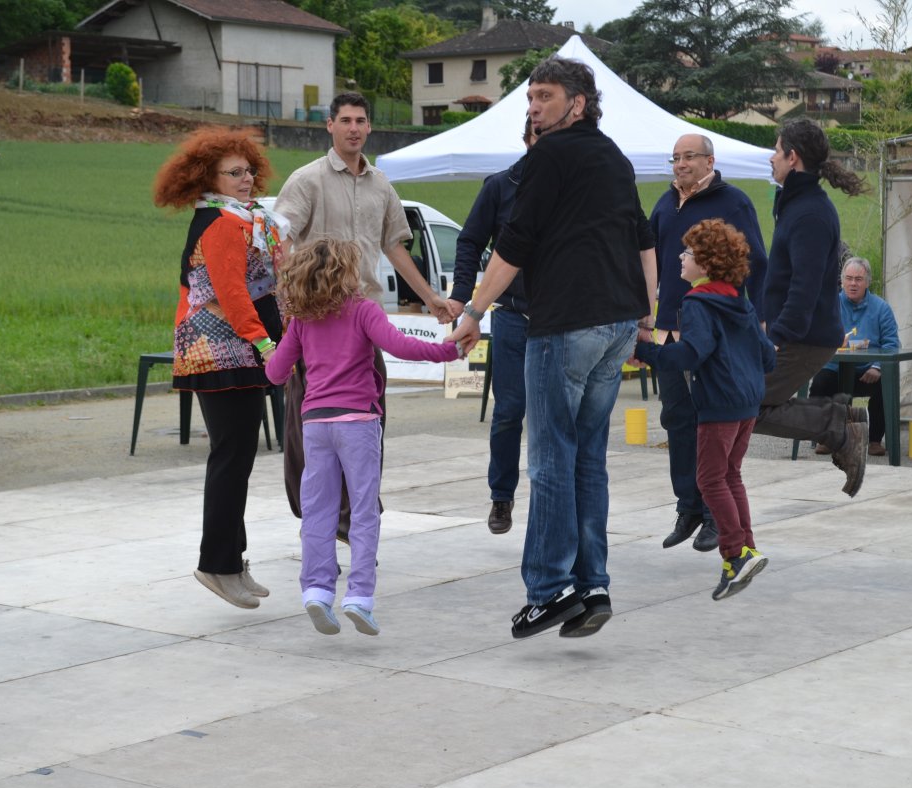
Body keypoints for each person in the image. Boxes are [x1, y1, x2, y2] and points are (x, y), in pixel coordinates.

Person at [449, 56, 657, 640]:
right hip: (615, 324)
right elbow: (644, 239)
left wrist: (473, 312)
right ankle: (593, 585)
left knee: (549, 459)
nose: (533, 106)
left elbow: (513, 247)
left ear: (578, 103)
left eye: (544, 96)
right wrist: (646, 316)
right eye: (530, 98)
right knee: (588, 457)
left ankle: (548, 589)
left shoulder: (547, 157)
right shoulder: (613, 157)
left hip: (564, 325)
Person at [273, 91, 454, 540]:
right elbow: (280, 241)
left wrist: (431, 297)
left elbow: (394, 246)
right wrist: (294, 300)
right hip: (316, 323)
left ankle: (357, 509)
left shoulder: (382, 185)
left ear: (369, 127)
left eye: (361, 120)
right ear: (329, 126)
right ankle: (320, 514)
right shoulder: (306, 180)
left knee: (370, 418)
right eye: (345, 120)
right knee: (307, 425)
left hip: (363, 319)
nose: (354, 128)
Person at [265, 238, 462, 636]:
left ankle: (317, 592)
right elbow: (400, 347)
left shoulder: (303, 321)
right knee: (362, 510)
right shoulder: (363, 311)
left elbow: (274, 374)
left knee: (317, 511)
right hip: (358, 423)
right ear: (347, 273)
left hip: (315, 425)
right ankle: (359, 596)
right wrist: (449, 352)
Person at [153, 127, 289, 610]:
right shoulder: (221, 223)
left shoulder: (245, 219)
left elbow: (265, 286)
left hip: (237, 348)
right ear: (207, 178)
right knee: (232, 458)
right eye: (234, 172)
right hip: (219, 349)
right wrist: (268, 345)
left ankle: (233, 559)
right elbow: (232, 293)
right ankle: (217, 564)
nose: (247, 178)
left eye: (249, 170)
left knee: (239, 457)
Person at [633, 220, 775, 600]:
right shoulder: (738, 300)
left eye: (689, 253)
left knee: (710, 479)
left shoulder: (696, 303)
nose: (681, 257)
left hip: (718, 404)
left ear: (707, 263)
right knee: (730, 475)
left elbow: (692, 353)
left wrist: (645, 351)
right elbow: (767, 356)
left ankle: (737, 552)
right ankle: (743, 551)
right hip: (747, 402)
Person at [650, 132, 768, 553]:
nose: (680, 164)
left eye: (688, 157)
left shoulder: (732, 202)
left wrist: (759, 320)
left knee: (712, 423)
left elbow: (757, 263)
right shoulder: (665, 204)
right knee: (676, 419)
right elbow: (646, 260)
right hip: (669, 326)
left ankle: (718, 518)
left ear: (709, 160)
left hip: (714, 328)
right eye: (675, 157)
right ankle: (689, 507)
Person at [757, 117, 869, 497]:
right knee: (745, 403)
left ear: (793, 157)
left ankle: (837, 427)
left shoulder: (809, 214)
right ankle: (840, 420)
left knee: (743, 405)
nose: (771, 158)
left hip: (802, 337)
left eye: (776, 150)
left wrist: (776, 337)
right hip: (797, 333)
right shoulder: (796, 205)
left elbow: (803, 288)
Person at [446, 117, 536, 535]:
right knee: (509, 411)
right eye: (538, 136)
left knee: (557, 417)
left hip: (563, 320)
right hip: (514, 316)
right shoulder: (500, 185)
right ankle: (502, 496)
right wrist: (463, 297)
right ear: (527, 138)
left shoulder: (574, 185)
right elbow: (470, 240)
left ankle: (555, 497)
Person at [810, 256, 901, 457]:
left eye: (858, 279)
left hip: (866, 371)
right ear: (842, 281)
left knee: (885, 383)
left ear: (867, 281)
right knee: (820, 383)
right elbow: (815, 336)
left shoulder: (881, 308)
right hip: (835, 369)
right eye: (849, 278)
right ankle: (825, 437)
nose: (853, 284)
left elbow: (892, 344)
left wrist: (877, 366)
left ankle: (875, 439)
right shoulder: (829, 306)